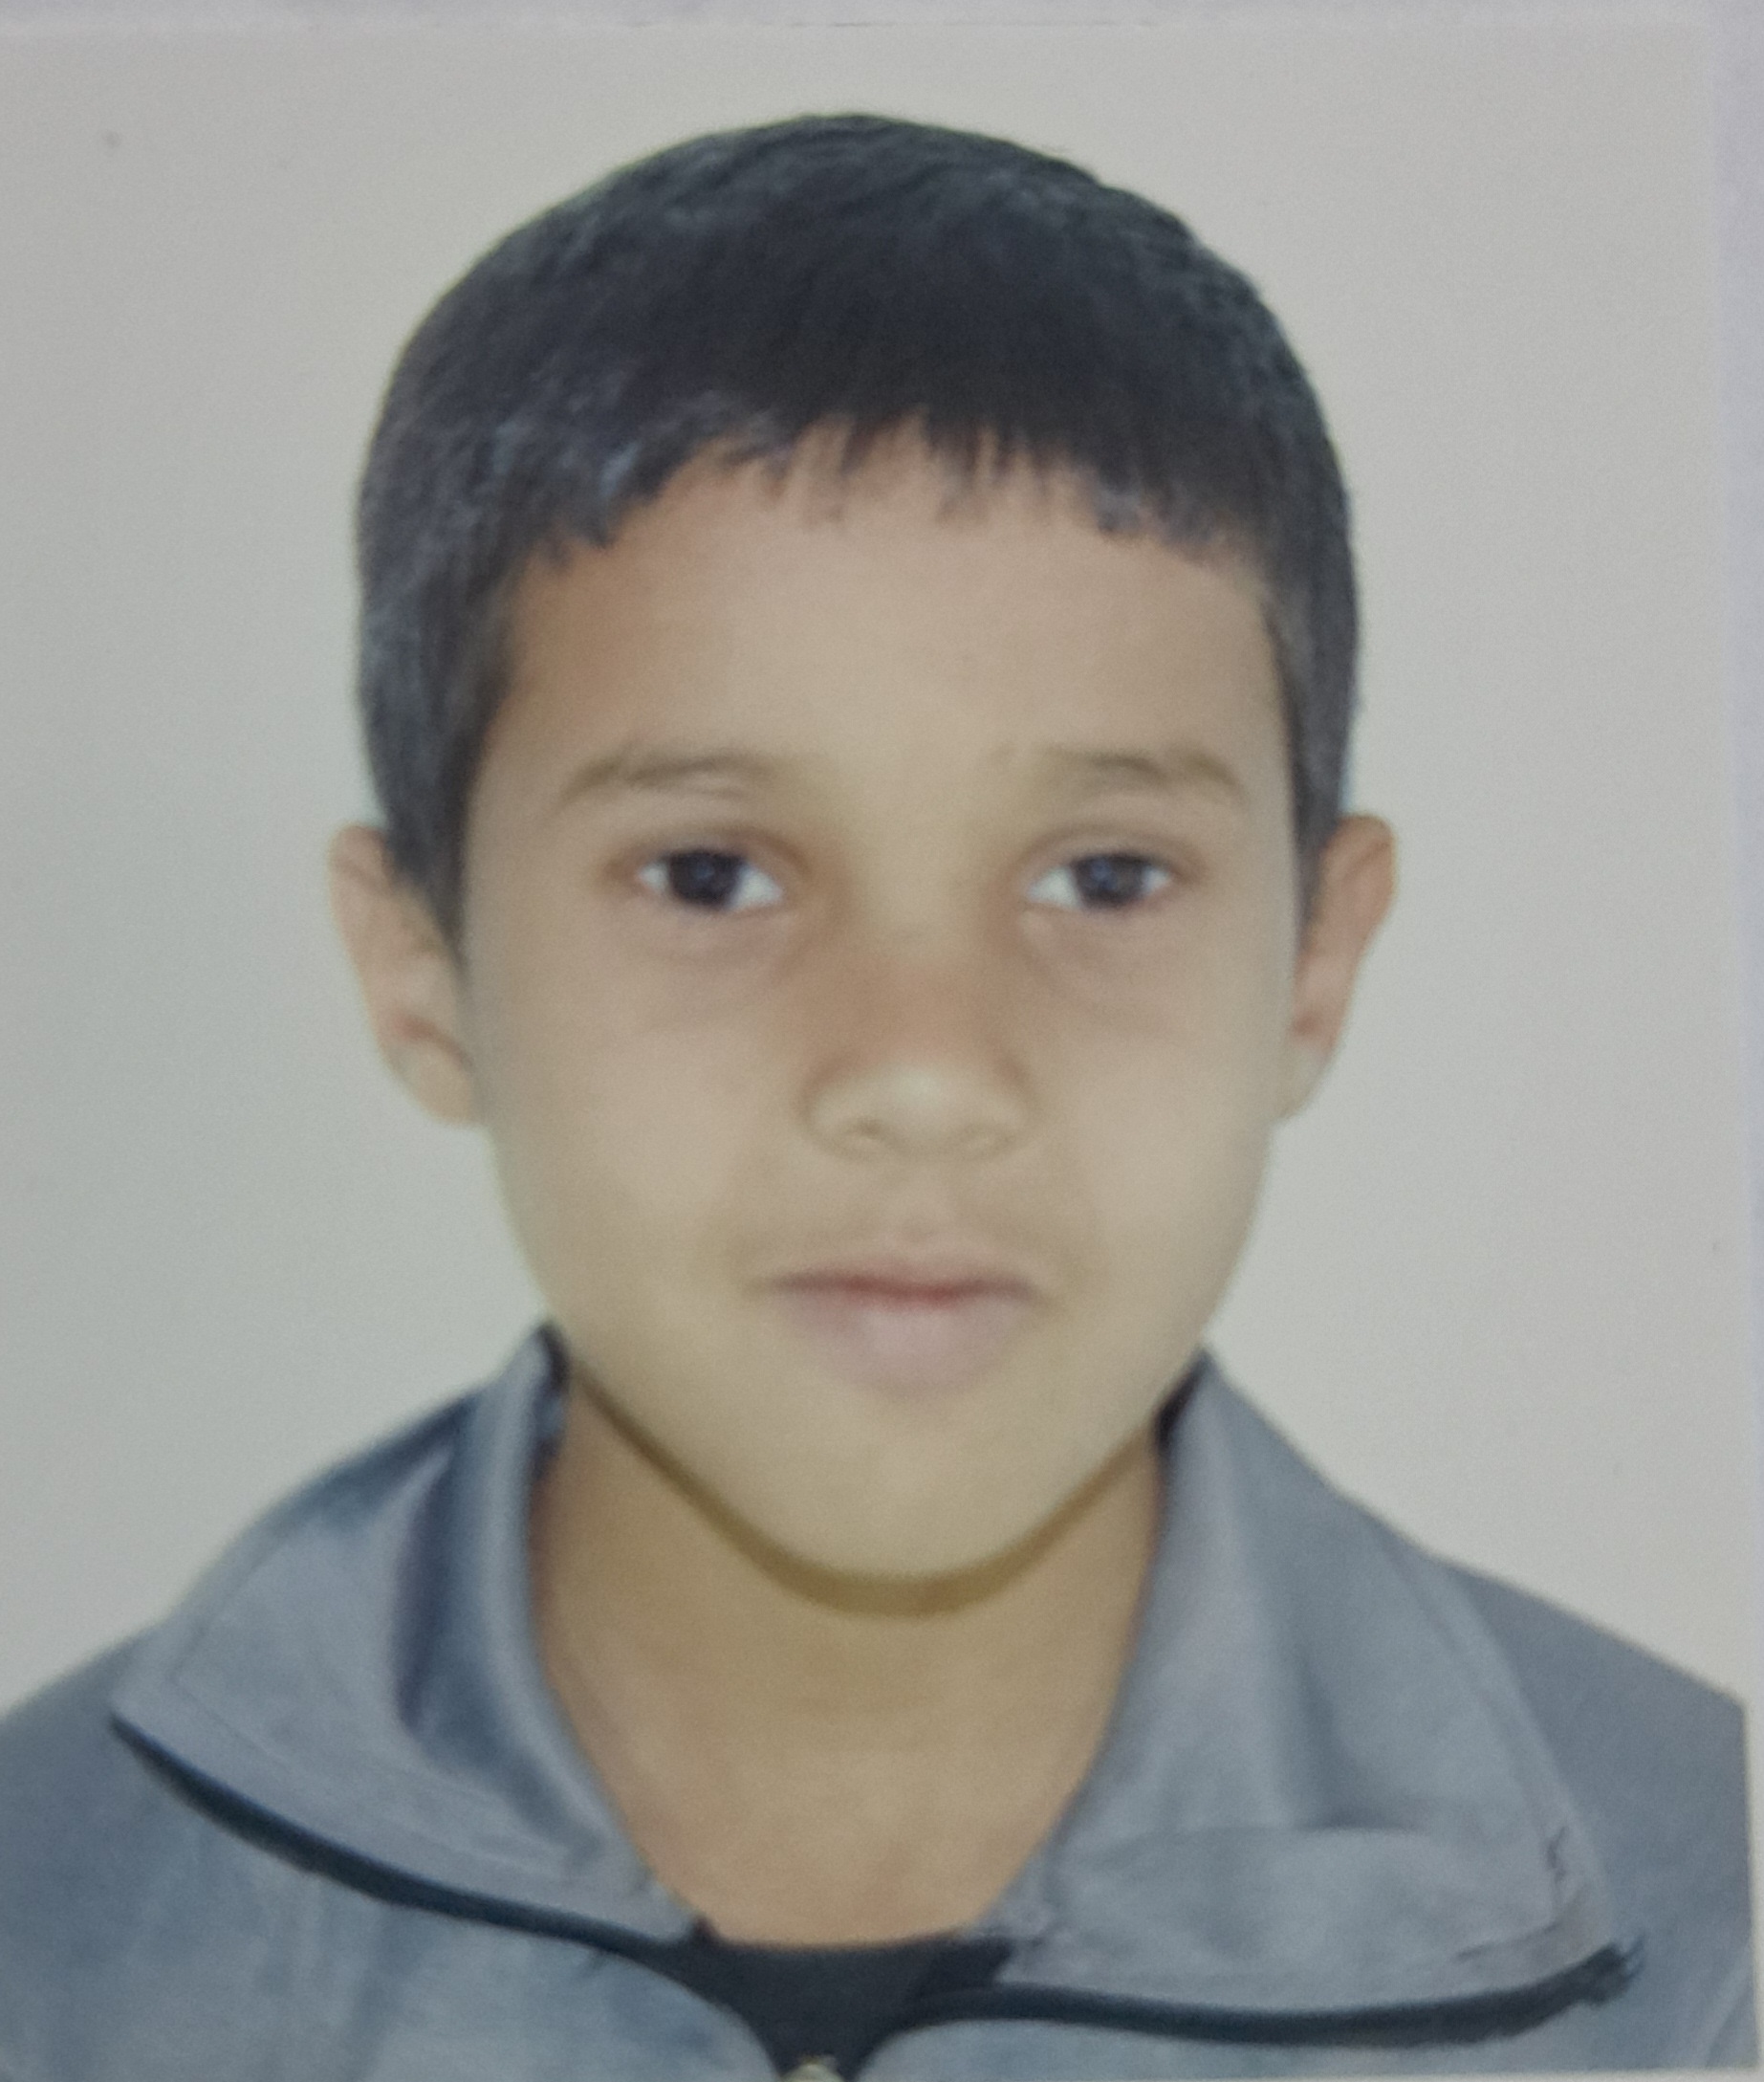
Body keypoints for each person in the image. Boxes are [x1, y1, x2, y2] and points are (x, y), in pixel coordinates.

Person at [0, 112, 1751, 2080]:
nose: (921, 1073)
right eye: (710, 875)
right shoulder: (52, 1940)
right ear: (421, 965)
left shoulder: (1701, 1950)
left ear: (1313, 964)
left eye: (1102, 878)